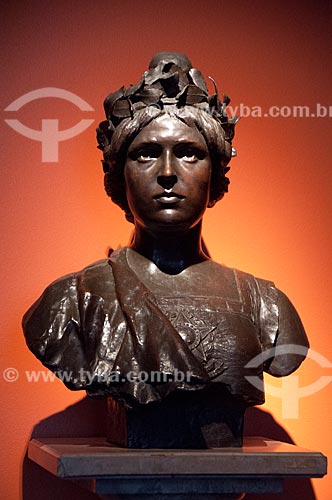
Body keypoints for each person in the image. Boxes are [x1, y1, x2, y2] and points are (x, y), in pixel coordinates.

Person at [22, 53, 309, 448]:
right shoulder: (72, 301)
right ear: (119, 177)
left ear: (216, 176)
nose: (168, 172)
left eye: (190, 152)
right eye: (146, 153)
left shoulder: (268, 306)